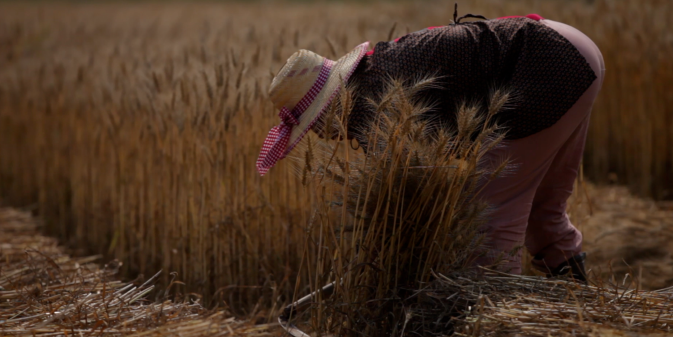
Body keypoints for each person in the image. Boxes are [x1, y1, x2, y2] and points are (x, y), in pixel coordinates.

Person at [256, 13, 605, 281]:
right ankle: (577, 303)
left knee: (490, 211)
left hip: (548, 65)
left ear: (329, 105)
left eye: (313, 123)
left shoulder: (372, 106)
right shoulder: (379, 70)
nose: (319, 134)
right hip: (570, 47)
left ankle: (498, 328)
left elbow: (415, 186)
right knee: (545, 206)